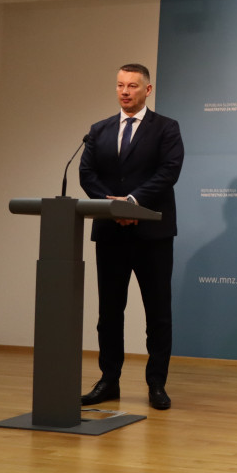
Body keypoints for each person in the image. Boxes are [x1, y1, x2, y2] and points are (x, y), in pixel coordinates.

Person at [79, 63, 184, 410]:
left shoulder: (166, 128)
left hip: (152, 233)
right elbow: (86, 173)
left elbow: (169, 171)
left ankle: (156, 384)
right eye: (120, 85)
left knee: (157, 313)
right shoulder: (99, 130)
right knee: (109, 312)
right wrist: (114, 206)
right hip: (111, 234)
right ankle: (109, 381)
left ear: (147, 90)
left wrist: (133, 203)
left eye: (133, 86)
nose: (125, 91)